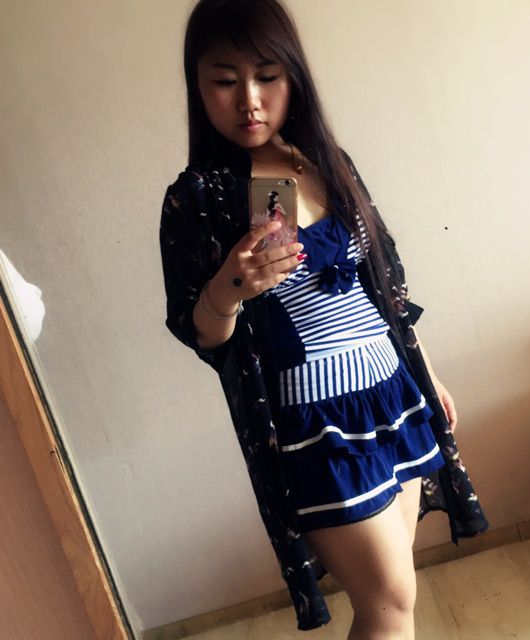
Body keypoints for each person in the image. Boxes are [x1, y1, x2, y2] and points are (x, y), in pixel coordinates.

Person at [159, 0, 489, 636]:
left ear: (294, 77)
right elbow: (202, 334)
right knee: (389, 598)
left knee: (395, 594)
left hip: (391, 393)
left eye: (267, 77)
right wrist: (230, 287)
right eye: (225, 80)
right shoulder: (198, 196)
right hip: (315, 420)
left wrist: (429, 373)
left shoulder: (324, 160)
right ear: (197, 85)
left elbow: (385, 287)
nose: (249, 100)